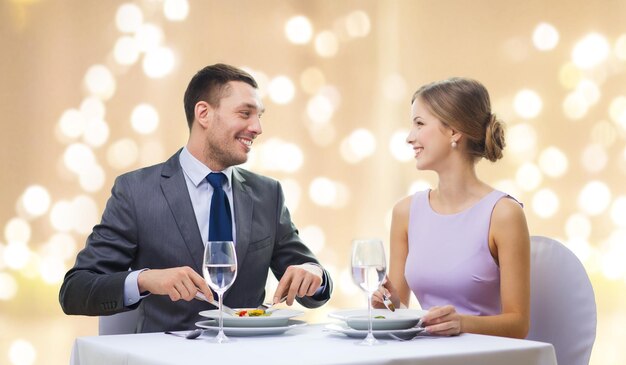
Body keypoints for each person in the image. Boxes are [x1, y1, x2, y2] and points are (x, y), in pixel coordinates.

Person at [59, 63, 333, 333]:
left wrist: (314, 275)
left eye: (259, 116)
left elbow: (310, 280)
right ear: (203, 113)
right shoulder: (136, 191)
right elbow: (75, 290)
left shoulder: (268, 194)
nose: (257, 127)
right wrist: (145, 279)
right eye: (245, 113)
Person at [373, 77, 530, 339]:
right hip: (425, 356)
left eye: (419, 124)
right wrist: (385, 304)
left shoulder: (503, 214)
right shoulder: (405, 212)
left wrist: (462, 323)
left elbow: (518, 325)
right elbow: (398, 310)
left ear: (454, 132)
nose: (409, 137)